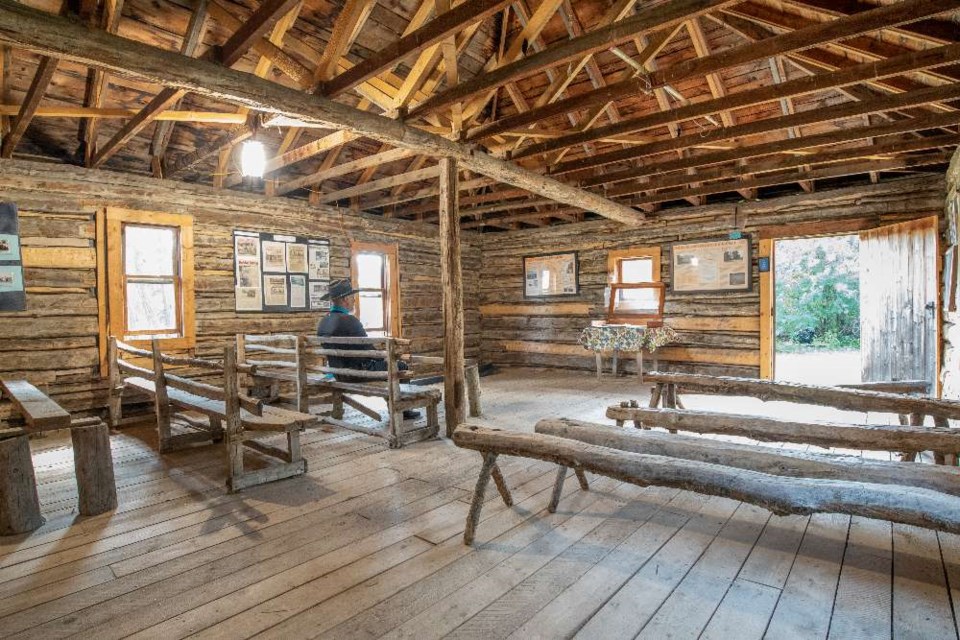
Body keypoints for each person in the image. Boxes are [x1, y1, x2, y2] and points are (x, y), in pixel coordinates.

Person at [317, 279, 419, 420]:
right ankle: (402, 410)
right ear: (345, 299)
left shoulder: (323, 322)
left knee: (387, 364)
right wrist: (386, 357)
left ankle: (396, 405)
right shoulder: (350, 321)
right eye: (352, 297)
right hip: (357, 373)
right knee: (400, 365)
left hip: (338, 373)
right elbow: (369, 350)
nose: (354, 300)